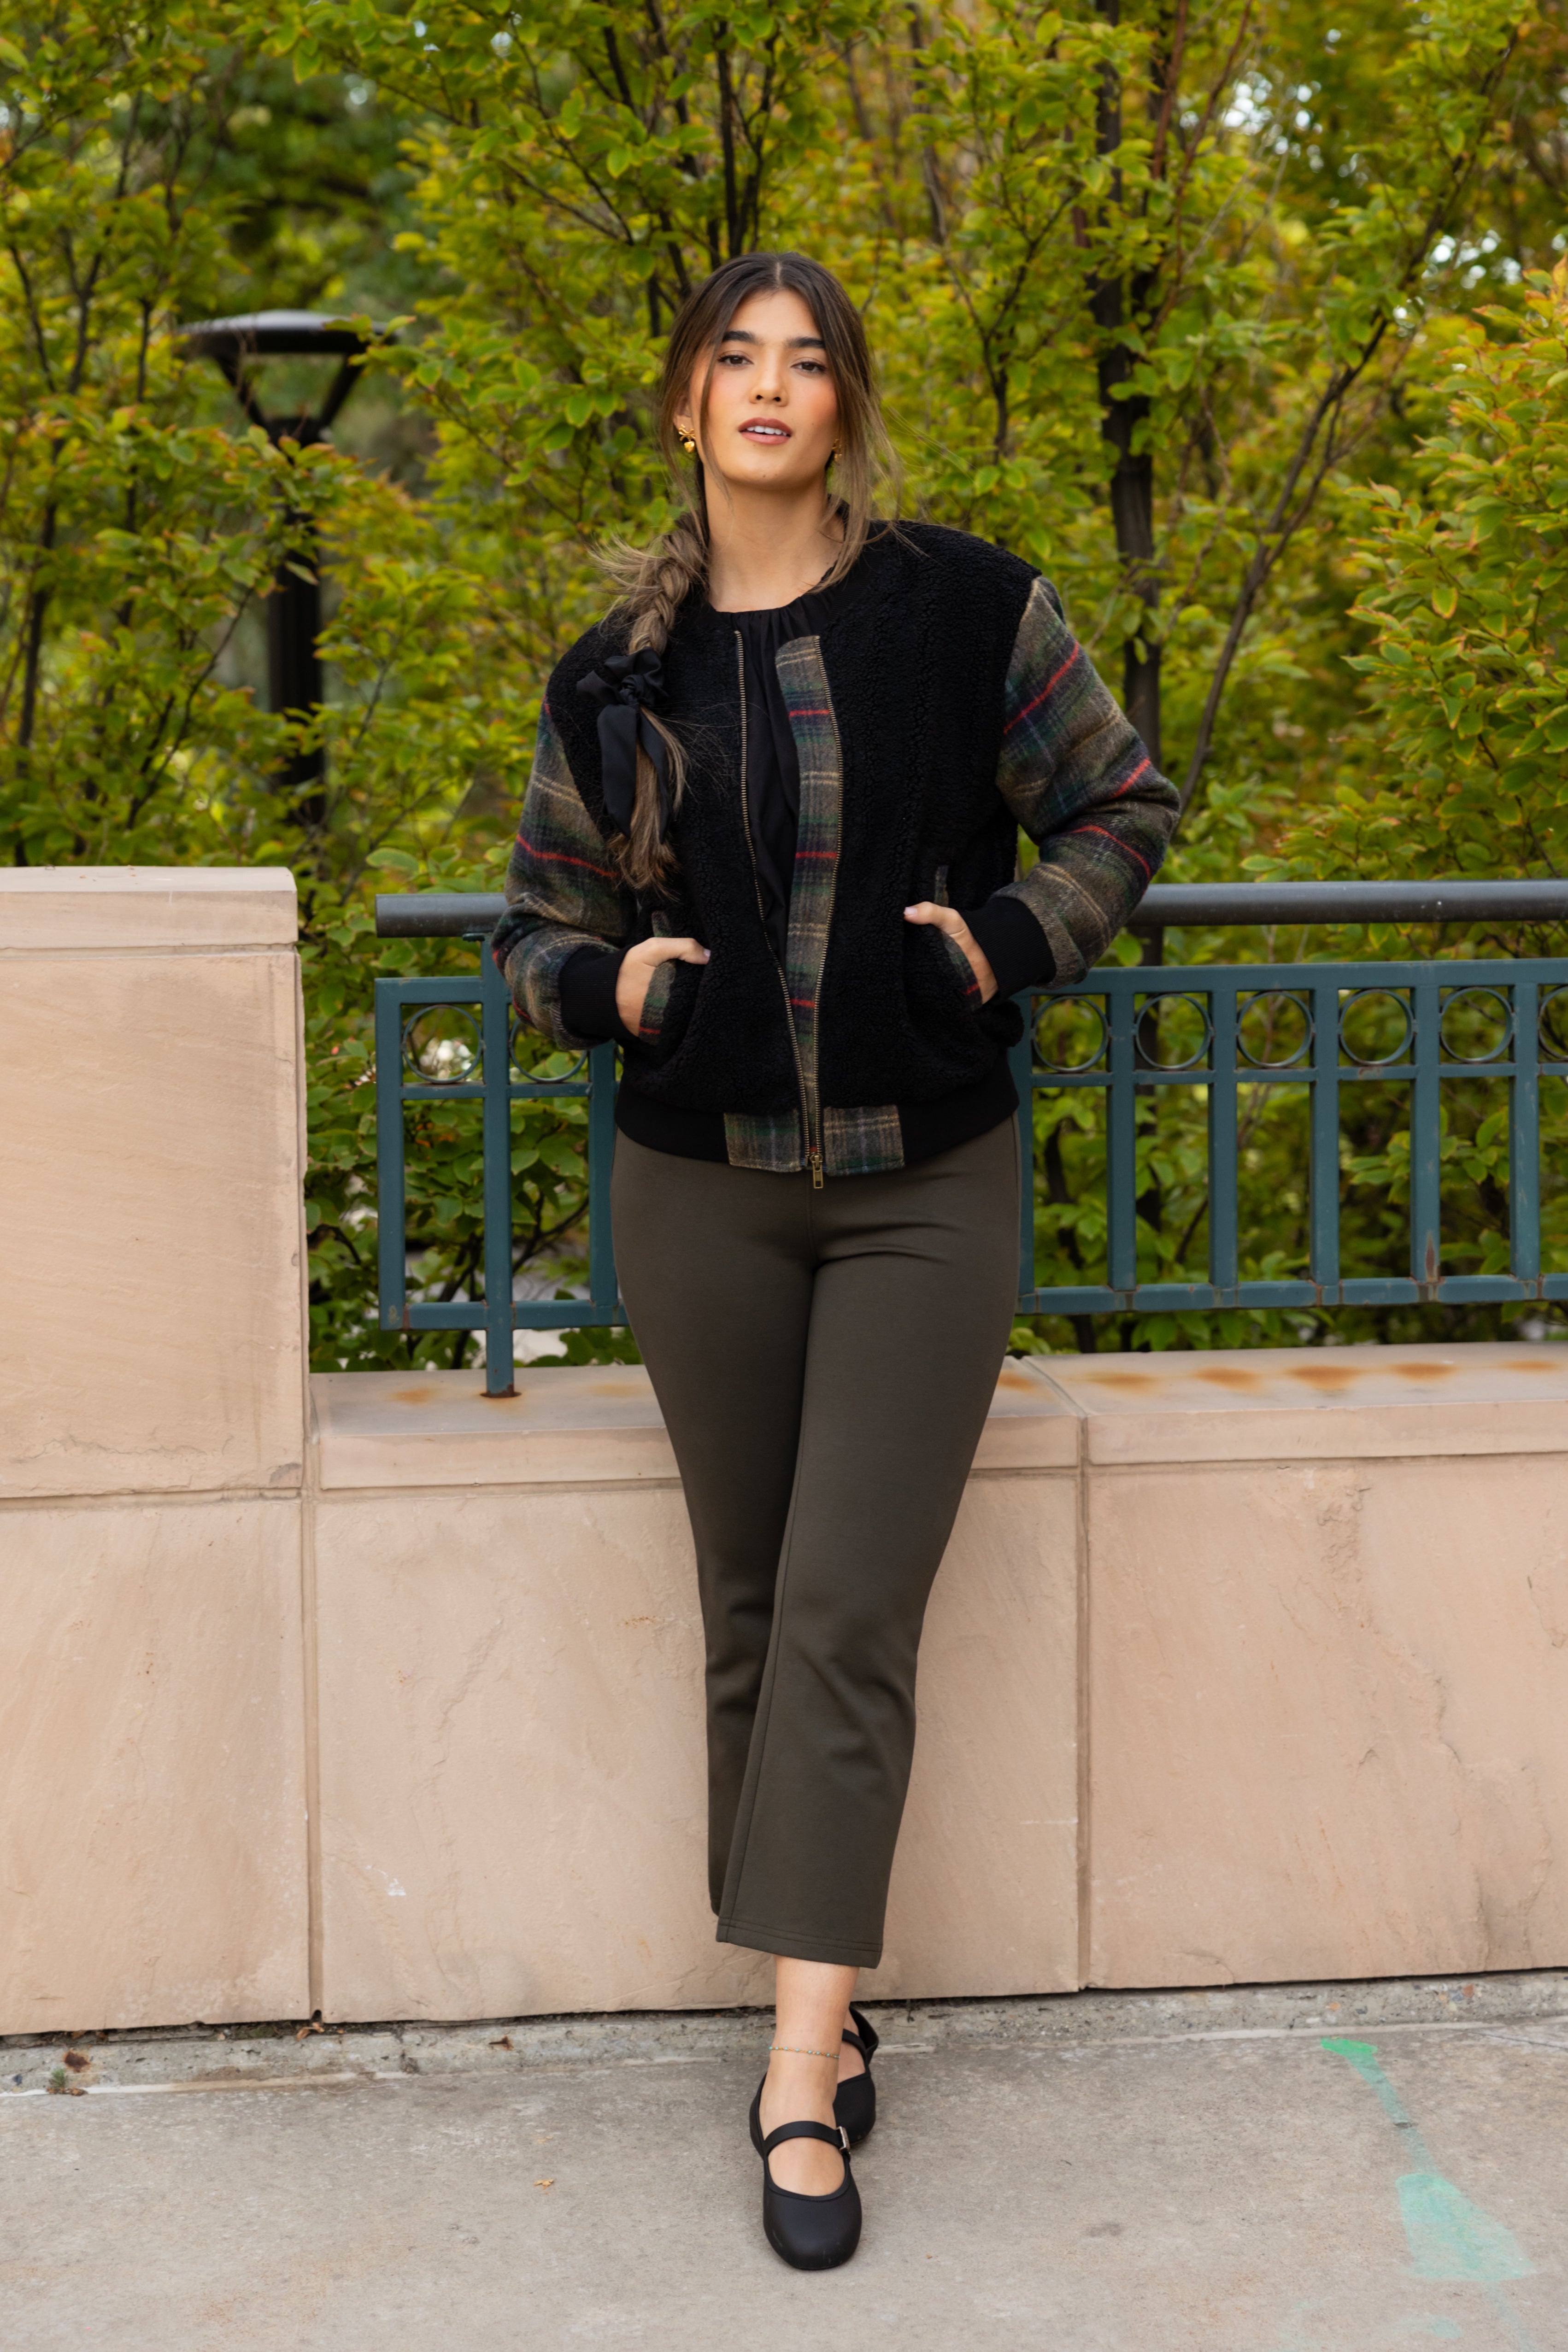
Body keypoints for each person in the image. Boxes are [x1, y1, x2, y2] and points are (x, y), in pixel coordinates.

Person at [493, 249, 1177, 2270]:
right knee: (743, 1598)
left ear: (841, 408)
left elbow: (1121, 800)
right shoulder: (613, 672)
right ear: (686, 404)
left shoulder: (964, 608)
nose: (771, 387)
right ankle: (829, 1985)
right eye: (736, 357)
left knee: (843, 1604)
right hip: (694, 1181)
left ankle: (797, 2073)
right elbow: (528, 926)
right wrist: (610, 983)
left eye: (807, 362)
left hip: (919, 1180)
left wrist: (1002, 938)